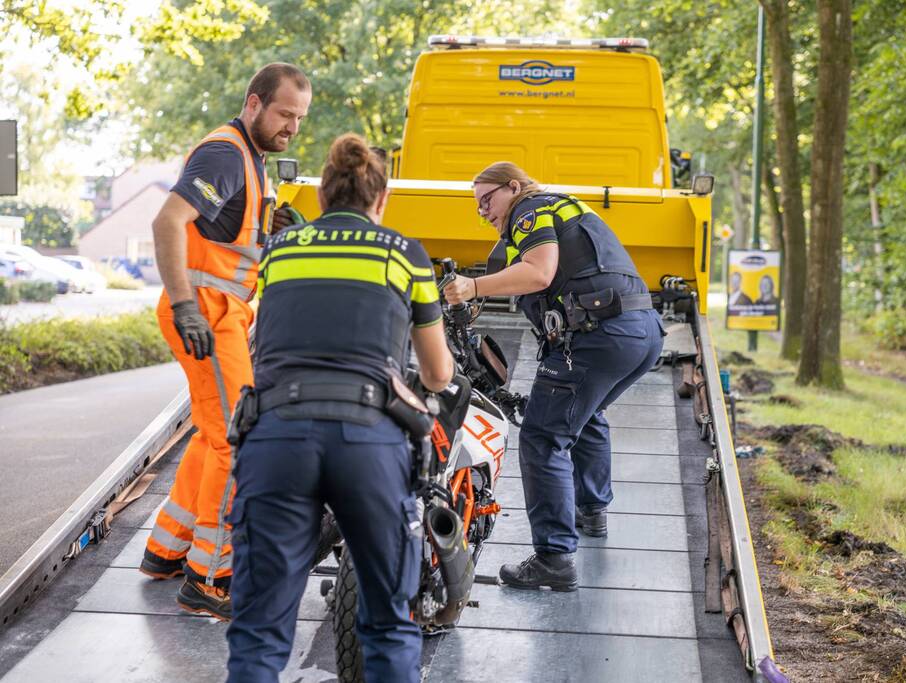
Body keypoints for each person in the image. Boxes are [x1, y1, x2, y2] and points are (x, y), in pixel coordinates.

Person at [226, 133, 454, 683]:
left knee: (258, 631)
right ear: (381, 201)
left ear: (323, 197)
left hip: (277, 433)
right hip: (368, 440)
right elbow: (438, 374)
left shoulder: (281, 251)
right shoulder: (405, 254)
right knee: (387, 623)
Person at [139, 63, 312, 620]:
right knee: (241, 441)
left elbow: (224, 235)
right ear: (255, 103)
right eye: (285, 114)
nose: (292, 127)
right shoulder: (224, 153)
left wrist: (269, 225)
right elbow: (168, 224)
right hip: (207, 315)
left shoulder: (250, 160)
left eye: (300, 119)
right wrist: (186, 304)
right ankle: (211, 576)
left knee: (215, 435)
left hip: (220, 314)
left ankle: (168, 549)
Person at [443, 161, 664, 591]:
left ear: (513, 187)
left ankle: (554, 558)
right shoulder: (567, 211)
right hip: (643, 332)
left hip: (599, 336)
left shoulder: (531, 210)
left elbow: (540, 272)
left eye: (487, 200)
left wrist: (472, 288)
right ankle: (591, 511)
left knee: (544, 438)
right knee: (586, 414)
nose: (484, 212)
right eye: (477, 207)